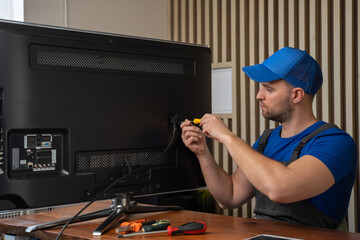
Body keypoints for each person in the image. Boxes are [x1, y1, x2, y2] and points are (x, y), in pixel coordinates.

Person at [180, 47, 358, 229]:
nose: (259, 95)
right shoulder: (267, 141)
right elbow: (230, 196)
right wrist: (203, 153)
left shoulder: (336, 142)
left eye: (268, 88)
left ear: (296, 95)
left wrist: (227, 136)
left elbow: (279, 188)